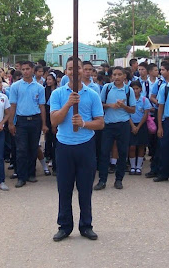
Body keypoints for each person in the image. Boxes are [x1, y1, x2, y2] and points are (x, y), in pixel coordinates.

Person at [49, 57, 104, 242]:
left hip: (85, 146)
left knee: (85, 188)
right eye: (70, 68)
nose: (74, 71)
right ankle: (64, 226)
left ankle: (86, 225)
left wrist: (84, 123)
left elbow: (100, 123)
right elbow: (54, 121)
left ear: (83, 70)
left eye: (77, 68)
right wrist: (68, 104)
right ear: (66, 71)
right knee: (64, 189)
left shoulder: (92, 94)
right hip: (64, 146)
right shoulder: (57, 94)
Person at [94, 66, 135, 190]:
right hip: (108, 125)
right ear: (111, 76)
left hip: (123, 125)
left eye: (119, 74)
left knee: (123, 153)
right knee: (104, 152)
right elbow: (100, 105)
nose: (117, 77)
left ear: (124, 76)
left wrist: (123, 106)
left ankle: (119, 179)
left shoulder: (129, 90)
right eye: (114, 74)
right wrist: (110, 105)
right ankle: (102, 180)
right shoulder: (106, 88)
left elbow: (132, 110)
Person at [8, 61, 47, 188]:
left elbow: (42, 107)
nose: (25, 71)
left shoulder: (39, 88)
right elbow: (12, 106)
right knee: (21, 149)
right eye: (23, 69)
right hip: (21, 121)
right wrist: (11, 123)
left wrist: (44, 124)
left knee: (33, 148)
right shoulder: (16, 86)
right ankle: (21, 176)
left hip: (35, 120)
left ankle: (31, 174)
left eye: (28, 69)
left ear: (32, 70)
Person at [128, 80, 151, 175]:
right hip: (131, 125)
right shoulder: (128, 100)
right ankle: (132, 166)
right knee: (132, 147)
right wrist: (133, 126)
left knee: (141, 146)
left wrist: (138, 126)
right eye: (133, 89)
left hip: (141, 125)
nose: (135, 90)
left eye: (137, 88)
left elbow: (146, 114)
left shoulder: (144, 100)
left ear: (140, 89)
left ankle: (139, 166)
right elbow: (126, 114)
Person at [43, 73, 58, 174]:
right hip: (47, 116)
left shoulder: (58, 91)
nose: (48, 81)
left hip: (56, 115)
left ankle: (56, 165)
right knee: (48, 139)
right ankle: (49, 156)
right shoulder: (44, 91)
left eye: (50, 79)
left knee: (56, 141)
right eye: (47, 79)